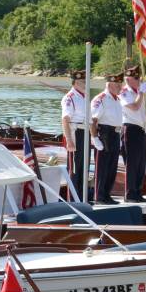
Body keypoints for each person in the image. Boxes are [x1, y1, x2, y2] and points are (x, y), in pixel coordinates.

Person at [90, 72, 123, 203]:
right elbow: (93, 120)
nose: (120, 87)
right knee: (102, 167)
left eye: (120, 84)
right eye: (117, 84)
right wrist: (95, 138)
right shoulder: (101, 98)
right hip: (104, 133)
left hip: (115, 134)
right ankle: (99, 196)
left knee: (112, 167)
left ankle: (107, 194)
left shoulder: (118, 99)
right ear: (109, 84)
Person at [120, 66, 146, 202]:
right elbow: (134, 107)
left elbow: (144, 111)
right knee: (132, 163)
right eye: (136, 78)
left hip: (141, 129)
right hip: (130, 129)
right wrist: (141, 93)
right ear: (128, 79)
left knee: (140, 163)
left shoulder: (137, 92)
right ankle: (130, 193)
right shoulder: (124, 92)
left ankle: (137, 191)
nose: (139, 80)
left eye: (139, 78)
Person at [61, 69, 89, 200]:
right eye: (82, 81)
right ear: (75, 83)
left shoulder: (84, 97)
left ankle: (82, 197)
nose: (85, 83)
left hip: (85, 132)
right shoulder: (69, 98)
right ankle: (73, 199)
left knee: (84, 166)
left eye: (85, 81)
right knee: (74, 168)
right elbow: (65, 120)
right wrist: (69, 140)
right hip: (75, 132)